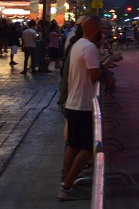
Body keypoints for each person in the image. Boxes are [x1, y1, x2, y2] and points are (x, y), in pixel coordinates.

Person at [59, 16, 105, 201]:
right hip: (83, 105)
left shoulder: (77, 44)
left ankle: (66, 180)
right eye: (100, 27)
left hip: (73, 103)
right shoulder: (89, 47)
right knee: (86, 149)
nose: (102, 30)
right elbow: (94, 74)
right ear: (93, 28)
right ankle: (67, 186)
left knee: (73, 145)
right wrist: (104, 73)